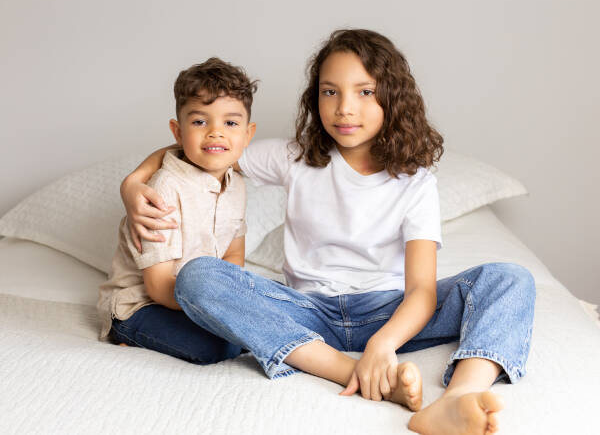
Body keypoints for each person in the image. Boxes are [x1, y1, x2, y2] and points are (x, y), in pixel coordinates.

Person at [120, 29, 535, 435]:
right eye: (330, 91)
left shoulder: (416, 182)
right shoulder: (294, 157)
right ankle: (344, 370)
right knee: (199, 275)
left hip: (387, 312)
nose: (344, 108)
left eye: (364, 92)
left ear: (392, 97)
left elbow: (423, 292)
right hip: (305, 312)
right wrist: (134, 182)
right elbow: (206, 147)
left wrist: (383, 345)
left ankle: (456, 398)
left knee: (509, 279)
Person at [97, 57, 257, 366]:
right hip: (141, 304)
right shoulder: (165, 188)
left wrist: (235, 305)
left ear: (247, 134)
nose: (215, 133)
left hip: (199, 300)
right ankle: (126, 333)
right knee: (215, 349)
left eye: (230, 123)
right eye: (199, 122)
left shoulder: (237, 185)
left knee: (256, 322)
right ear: (177, 131)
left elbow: (233, 256)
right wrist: (218, 313)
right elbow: (157, 287)